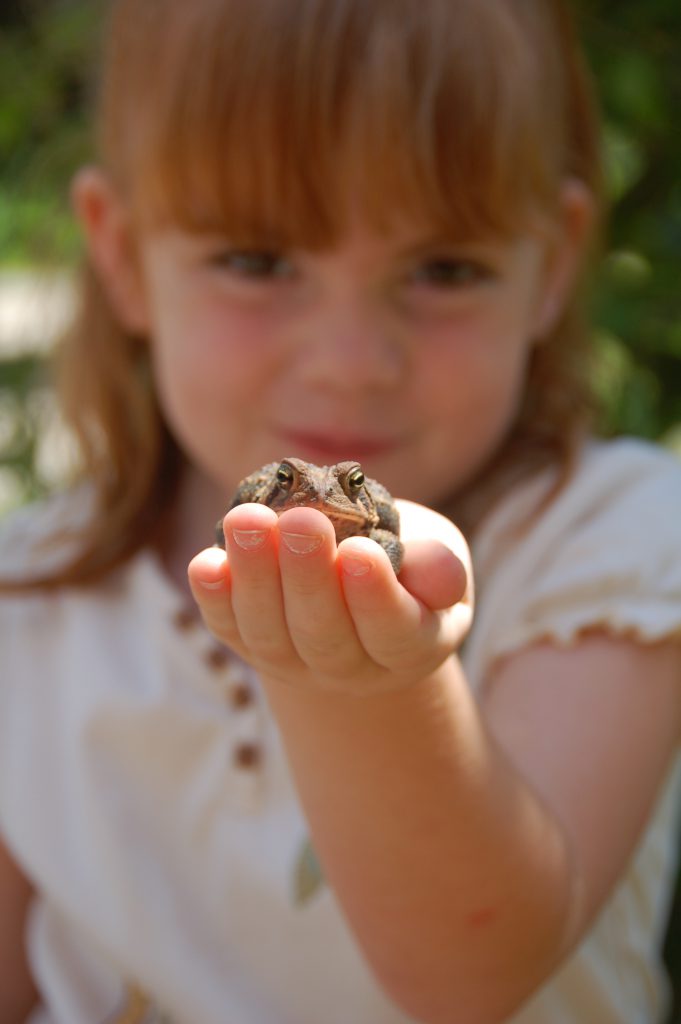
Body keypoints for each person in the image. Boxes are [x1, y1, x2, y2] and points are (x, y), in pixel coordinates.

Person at [1, 0, 680, 1021]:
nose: (352, 362)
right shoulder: (32, 595)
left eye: (445, 269)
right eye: (259, 261)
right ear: (125, 255)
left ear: (553, 264)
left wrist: (367, 679)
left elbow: (474, 973)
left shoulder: (615, 541)